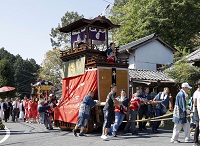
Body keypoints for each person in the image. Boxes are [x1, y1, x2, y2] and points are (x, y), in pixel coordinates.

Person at [193, 81, 200, 146]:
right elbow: (194, 101)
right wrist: (195, 109)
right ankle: (195, 141)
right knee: (197, 125)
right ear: (198, 85)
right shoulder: (196, 93)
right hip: (197, 111)